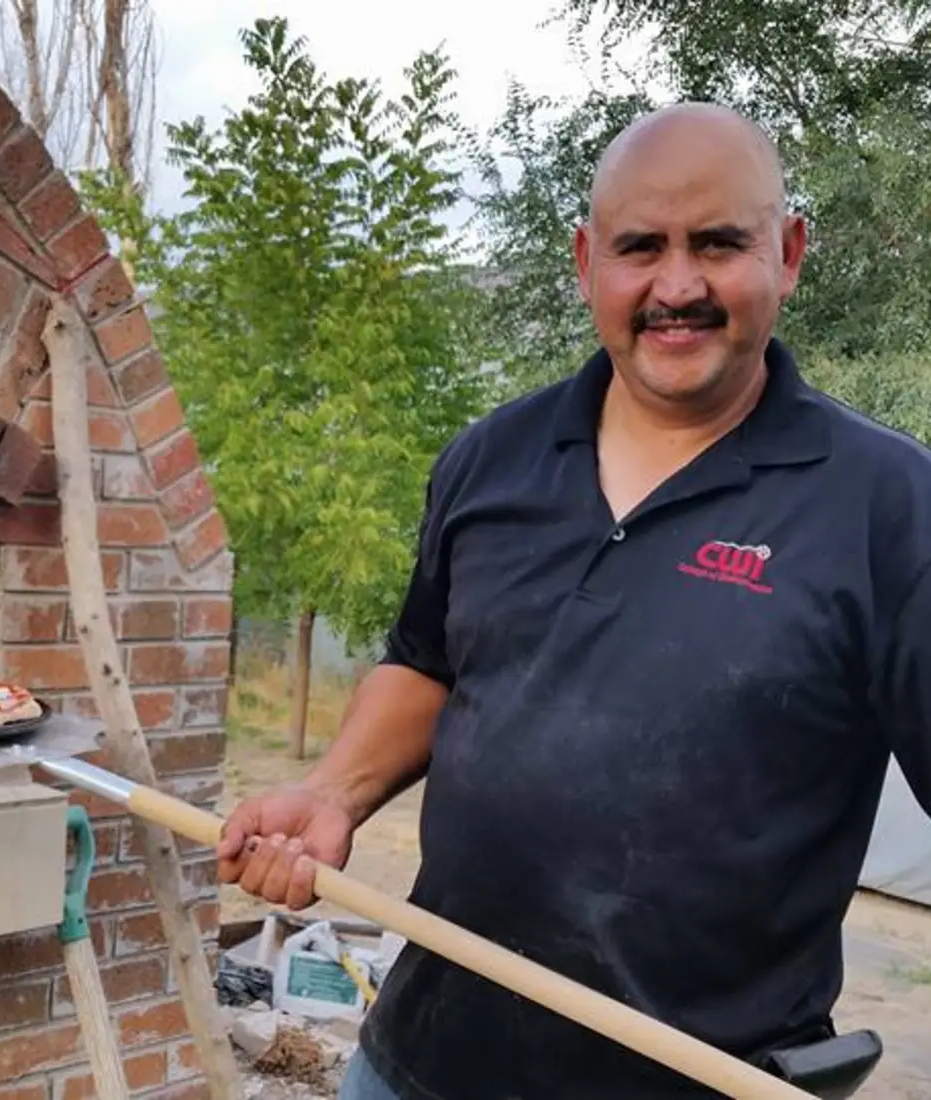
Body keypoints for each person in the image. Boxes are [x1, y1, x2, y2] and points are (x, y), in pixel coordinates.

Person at [216, 101, 931, 1098]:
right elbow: (428, 658)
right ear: (585, 260)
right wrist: (331, 794)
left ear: (789, 252)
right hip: (418, 1059)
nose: (675, 286)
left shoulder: (886, 502)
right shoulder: (490, 457)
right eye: (639, 246)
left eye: (717, 243)